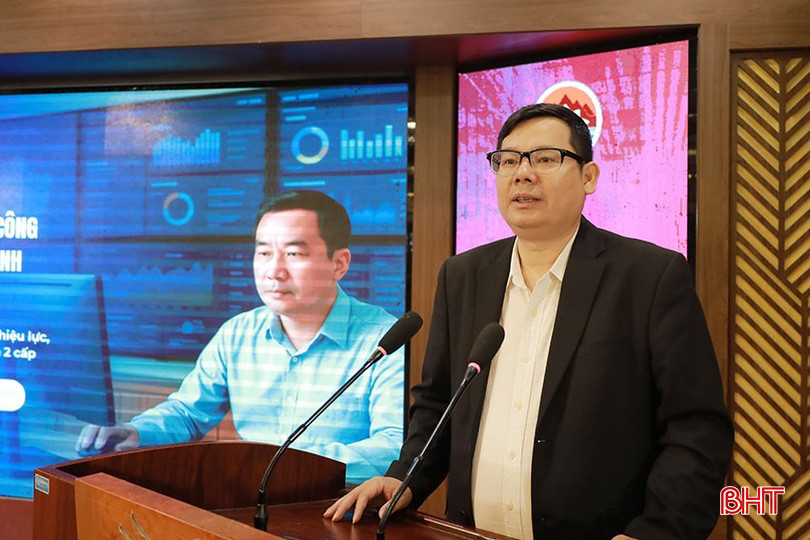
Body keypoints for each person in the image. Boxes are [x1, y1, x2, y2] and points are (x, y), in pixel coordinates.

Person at [325, 103, 734, 539]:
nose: (522, 173)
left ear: (588, 176)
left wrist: (657, 531)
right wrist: (404, 477)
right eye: (508, 160)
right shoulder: (463, 275)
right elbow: (439, 402)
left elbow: (695, 427)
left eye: (545, 158)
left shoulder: (649, 276)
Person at [76, 190, 405, 485]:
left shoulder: (385, 342)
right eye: (264, 253)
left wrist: (287, 465)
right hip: (246, 504)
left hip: (336, 511)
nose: (274, 271)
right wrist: (137, 433)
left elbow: (393, 446)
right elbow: (188, 413)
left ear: (339, 264)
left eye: (293, 254)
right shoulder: (238, 334)